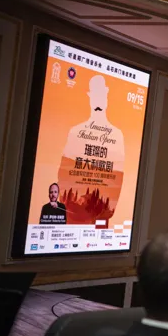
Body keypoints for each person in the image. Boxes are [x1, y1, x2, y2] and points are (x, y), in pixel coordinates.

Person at [58, 74, 126, 224]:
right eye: (95, 95)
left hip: (100, 218)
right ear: (90, 97)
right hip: (73, 216)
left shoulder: (117, 135)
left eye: (102, 95)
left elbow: (117, 182)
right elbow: (63, 176)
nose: (99, 100)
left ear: (107, 98)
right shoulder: (75, 131)